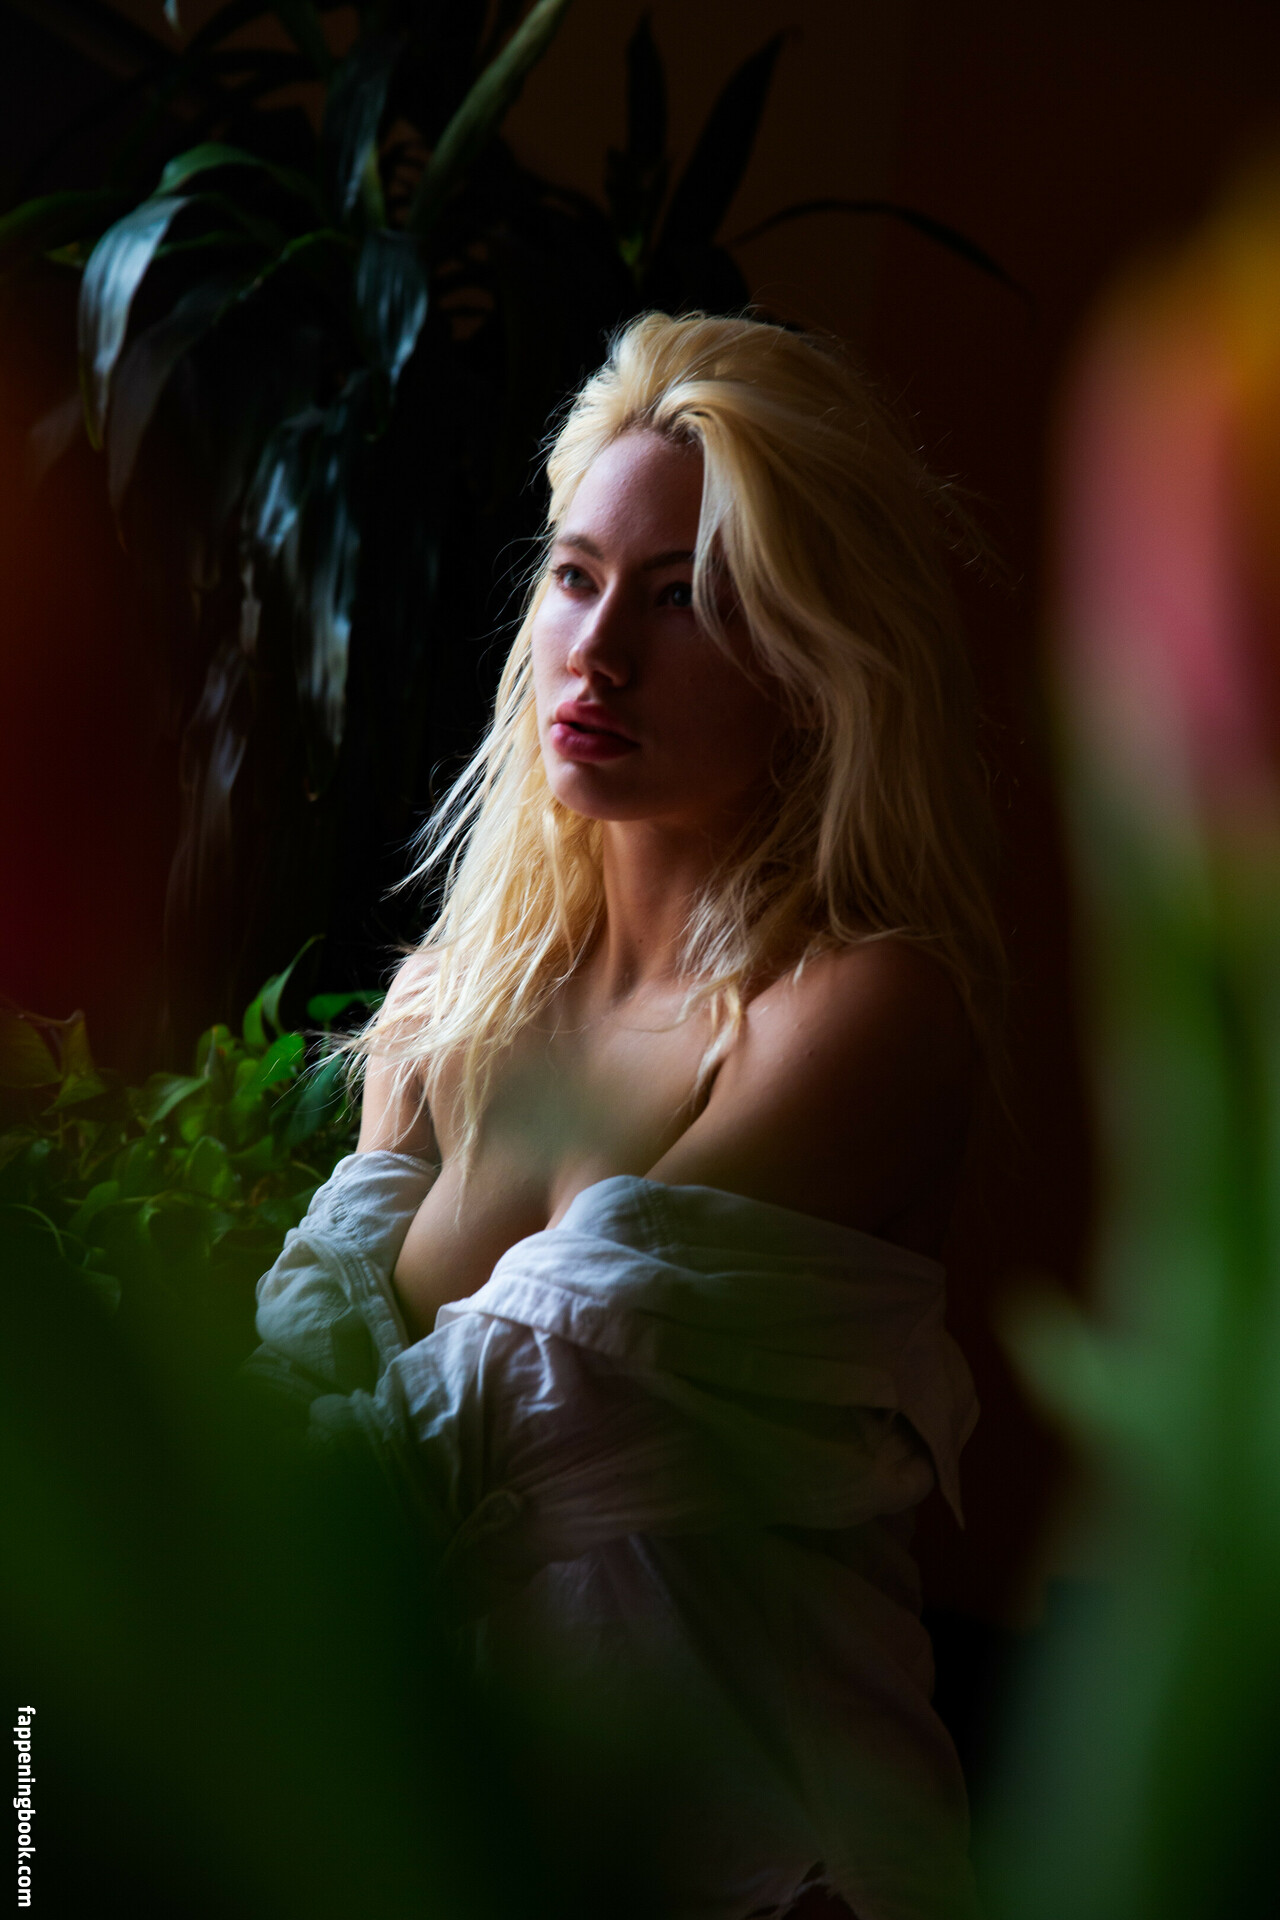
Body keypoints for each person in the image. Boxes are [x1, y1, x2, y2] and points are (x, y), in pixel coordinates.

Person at [249, 312, 1003, 1920]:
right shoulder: (448, 1007)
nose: (599, 652)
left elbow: (508, 1416)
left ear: (812, 659)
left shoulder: (860, 1013)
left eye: (685, 598)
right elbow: (310, 1345)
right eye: (577, 577)